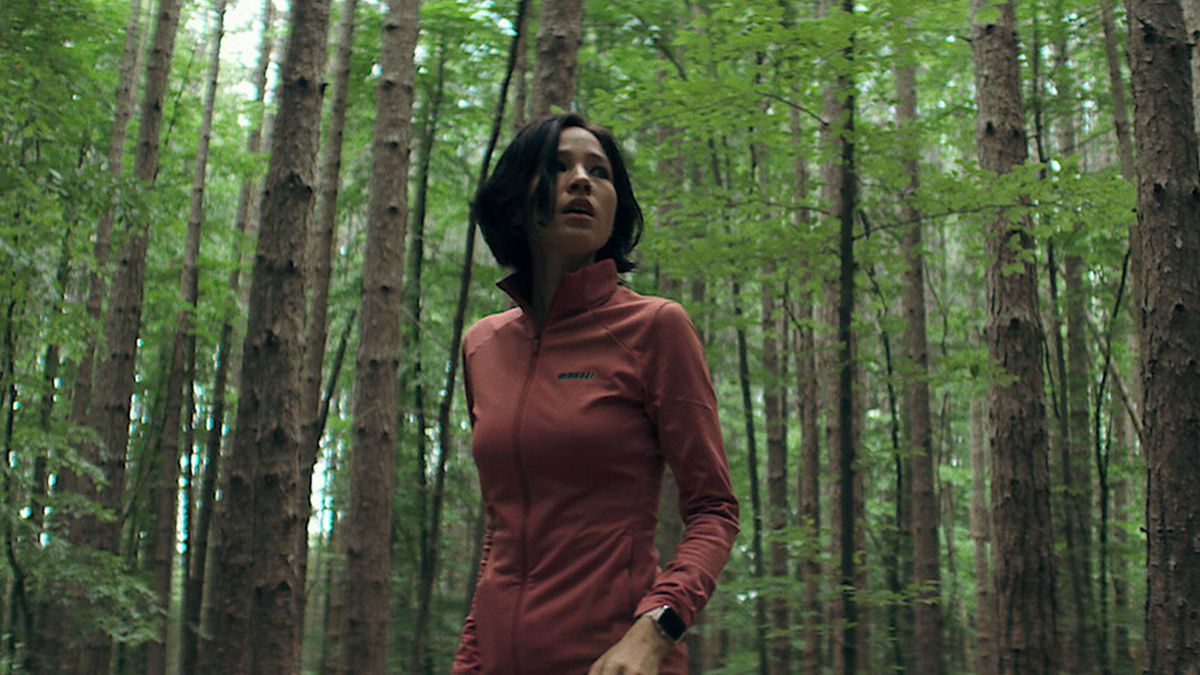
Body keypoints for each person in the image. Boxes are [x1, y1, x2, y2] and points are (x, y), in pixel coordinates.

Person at [452, 113, 739, 675]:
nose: (580, 180)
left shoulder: (656, 327)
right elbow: (501, 534)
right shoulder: (482, 345)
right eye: (557, 167)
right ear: (515, 202)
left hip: (619, 661)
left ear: (616, 209)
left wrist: (655, 631)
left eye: (598, 172)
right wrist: (469, 661)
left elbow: (714, 511)